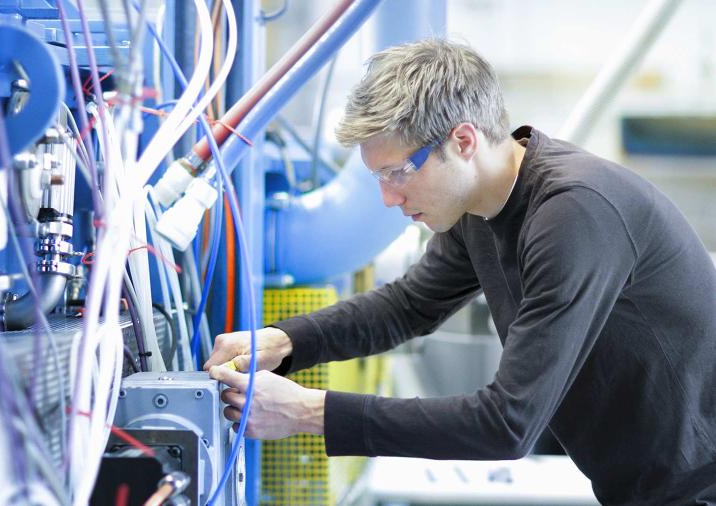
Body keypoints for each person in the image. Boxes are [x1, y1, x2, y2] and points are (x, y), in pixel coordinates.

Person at [205, 39, 716, 505]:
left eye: (398, 172)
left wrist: (307, 412)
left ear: (464, 141)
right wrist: (284, 340)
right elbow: (409, 306)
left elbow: (507, 423)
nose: (388, 197)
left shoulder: (574, 213)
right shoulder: (480, 209)